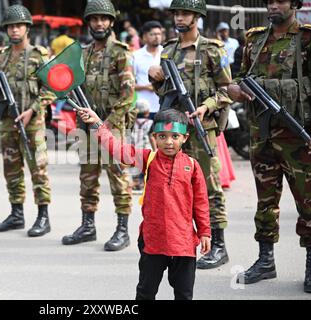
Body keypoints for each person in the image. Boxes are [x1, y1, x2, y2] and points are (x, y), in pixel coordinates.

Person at [77, 107, 211, 300]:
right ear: (154, 137)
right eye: (162, 136)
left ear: (185, 138)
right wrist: (98, 123)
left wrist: (205, 232)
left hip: (184, 244)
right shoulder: (148, 158)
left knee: (184, 294)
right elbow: (118, 149)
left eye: (175, 136)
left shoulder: (192, 165)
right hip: (153, 241)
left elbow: (201, 202)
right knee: (146, 292)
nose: (169, 142)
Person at [227, 0, 311, 293]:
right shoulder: (254, 39)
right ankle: (266, 261)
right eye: (270, 1)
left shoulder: (307, 39)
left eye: (280, 1)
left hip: (299, 138)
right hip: (261, 135)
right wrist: (236, 89)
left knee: (309, 203)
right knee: (266, 201)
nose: (273, 6)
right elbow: (239, 79)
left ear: (294, 4)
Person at [148, 0, 232, 269]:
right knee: (175, 186)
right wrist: (155, 77)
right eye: (176, 13)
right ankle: (180, 242)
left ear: (197, 16)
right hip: (175, 132)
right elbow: (164, 94)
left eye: (184, 13)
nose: (179, 17)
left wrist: (206, 107)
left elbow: (228, 90)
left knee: (209, 185)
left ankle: (218, 245)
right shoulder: (168, 50)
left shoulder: (212, 49)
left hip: (202, 129)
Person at [61, 0, 136, 252]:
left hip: (112, 126)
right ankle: (88, 226)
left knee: (118, 178)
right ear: (89, 23)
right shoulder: (82, 53)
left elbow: (128, 96)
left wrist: (106, 125)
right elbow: (73, 85)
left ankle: (122, 230)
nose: (99, 23)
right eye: (94, 19)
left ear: (111, 22)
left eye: (104, 19)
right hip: (87, 126)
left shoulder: (120, 52)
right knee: (87, 177)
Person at [0, 4, 54, 237]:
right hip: (8, 120)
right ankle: (16, 214)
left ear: (27, 28)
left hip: (32, 122)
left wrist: (33, 110)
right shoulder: (2, 56)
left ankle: (43, 216)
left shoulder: (39, 55)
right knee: (11, 168)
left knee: (38, 169)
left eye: (18, 26)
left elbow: (51, 89)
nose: (14, 30)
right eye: (10, 27)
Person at [133, 20, 163, 119]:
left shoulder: (166, 53)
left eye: (159, 34)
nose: (157, 37)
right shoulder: (136, 56)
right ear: (145, 36)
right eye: (153, 34)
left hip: (163, 107)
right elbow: (128, 83)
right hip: (142, 108)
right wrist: (146, 87)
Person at [130, 99, 154, 194]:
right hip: (147, 149)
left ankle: (136, 183)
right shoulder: (151, 123)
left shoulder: (131, 123)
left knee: (135, 167)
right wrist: (156, 149)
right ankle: (144, 183)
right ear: (147, 112)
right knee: (147, 168)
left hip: (135, 149)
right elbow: (152, 137)